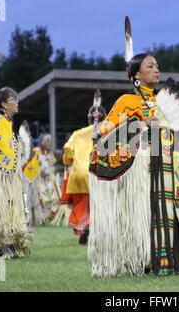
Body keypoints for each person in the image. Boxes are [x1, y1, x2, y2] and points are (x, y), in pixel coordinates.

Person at [88, 52, 179, 277]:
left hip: (169, 167)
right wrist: (139, 122)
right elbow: (103, 133)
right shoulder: (126, 101)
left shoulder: (163, 100)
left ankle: (171, 260)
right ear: (136, 76)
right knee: (144, 213)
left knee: (169, 211)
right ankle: (143, 259)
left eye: (157, 66)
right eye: (150, 66)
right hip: (140, 169)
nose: (156, 70)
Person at [0, 85, 32, 258]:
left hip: (7, 174)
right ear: (3, 105)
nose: (17, 103)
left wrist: (20, 145)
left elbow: (9, 146)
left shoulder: (6, 122)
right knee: (2, 206)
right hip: (2, 174)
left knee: (8, 206)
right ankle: (1, 246)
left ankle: (6, 244)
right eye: (13, 101)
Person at [62, 90, 106, 244]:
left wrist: (68, 163)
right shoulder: (108, 133)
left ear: (89, 118)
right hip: (100, 173)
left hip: (79, 174)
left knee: (81, 204)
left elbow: (67, 150)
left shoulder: (77, 133)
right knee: (97, 204)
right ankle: (91, 226)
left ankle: (82, 228)